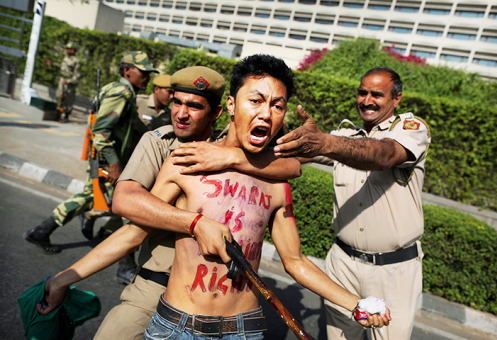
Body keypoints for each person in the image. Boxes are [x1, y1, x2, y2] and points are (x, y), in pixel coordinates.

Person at [36, 56, 390, 339]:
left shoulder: (277, 181)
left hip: (244, 329)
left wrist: (356, 303)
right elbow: (133, 230)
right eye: (256, 101)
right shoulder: (187, 160)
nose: (266, 113)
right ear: (233, 106)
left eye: (278, 106)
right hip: (175, 325)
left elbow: (295, 261)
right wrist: (63, 278)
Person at [95, 65, 302, 340]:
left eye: (194, 106)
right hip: (154, 284)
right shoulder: (160, 144)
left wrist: (232, 158)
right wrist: (195, 223)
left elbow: (291, 165)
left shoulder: (231, 148)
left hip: (213, 305)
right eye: (176, 103)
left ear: (218, 112)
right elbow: (127, 211)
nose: (182, 114)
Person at [273, 66, 431, 339]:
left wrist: (325, 142)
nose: (367, 100)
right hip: (342, 263)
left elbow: (382, 155)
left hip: (393, 271)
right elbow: (293, 158)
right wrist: (279, 131)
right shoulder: (344, 137)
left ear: (397, 98)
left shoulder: (412, 130)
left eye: (377, 94)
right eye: (362, 92)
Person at [24, 51, 158, 256]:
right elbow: (101, 131)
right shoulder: (121, 92)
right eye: (144, 72)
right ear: (127, 71)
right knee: (103, 199)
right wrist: (114, 163)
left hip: (106, 156)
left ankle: (56, 228)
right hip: (106, 158)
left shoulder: (122, 90)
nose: (147, 77)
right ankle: (45, 230)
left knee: (100, 198)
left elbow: (128, 124)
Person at [46, 42, 82, 123]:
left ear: (72, 51)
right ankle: (57, 114)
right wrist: (52, 64)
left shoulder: (76, 61)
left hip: (69, 83)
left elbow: (77, 76)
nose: (66, 50)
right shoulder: (65, 58)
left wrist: (69, 81)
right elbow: (63, 67)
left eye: (68, 49)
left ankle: (66, 115)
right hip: (62, 80)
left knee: (68, 99)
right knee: (59, 96)